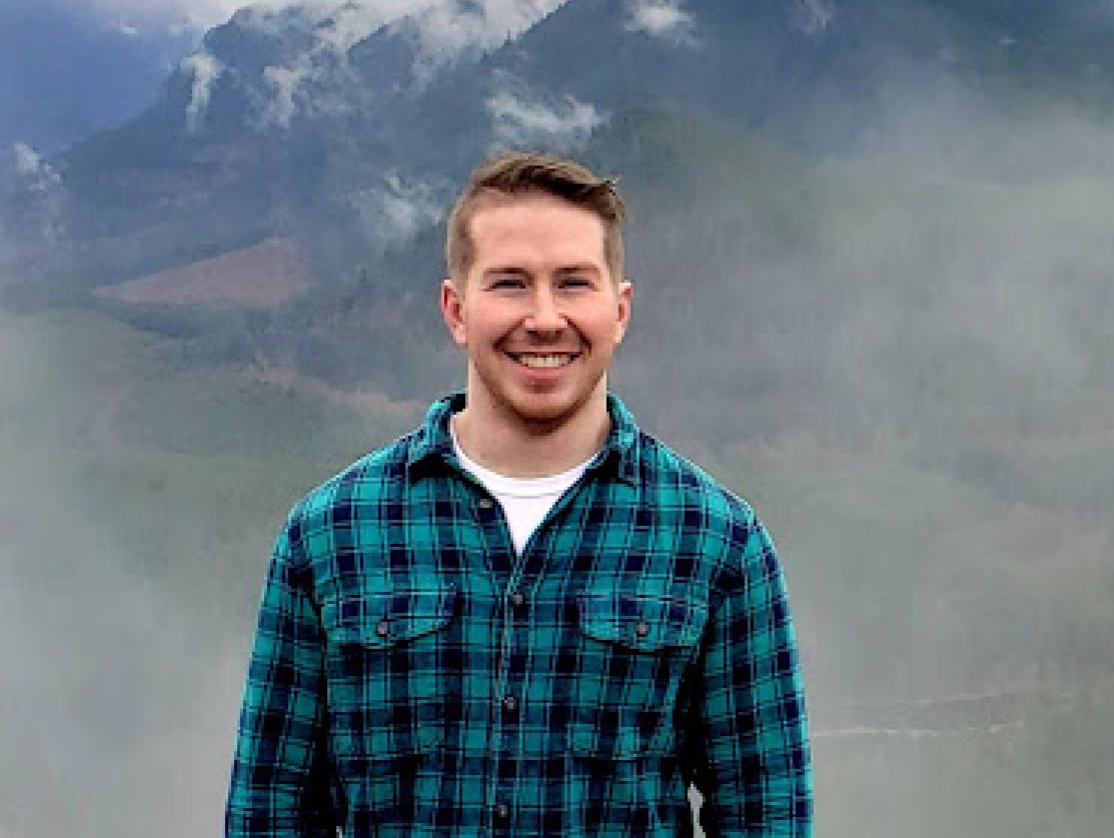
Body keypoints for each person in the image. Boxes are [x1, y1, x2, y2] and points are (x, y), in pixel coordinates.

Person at [226, 151, 813, 838]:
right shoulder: (330, 534)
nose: (543, 317)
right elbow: (268, 812)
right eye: (510, 283)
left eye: (573, 283)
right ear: (456, 308)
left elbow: (768, 815)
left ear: (618, 310)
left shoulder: (718, 543)